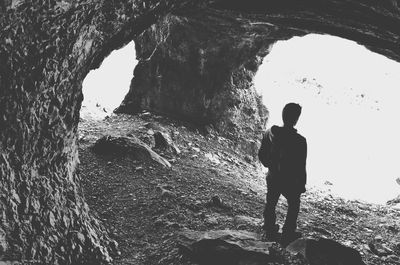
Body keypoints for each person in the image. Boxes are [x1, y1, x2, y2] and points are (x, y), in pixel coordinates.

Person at [258, 103, 307, 246]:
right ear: (296, 119)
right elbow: (301, 165)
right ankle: (288, 233)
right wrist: (302, 184)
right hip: (289, 181)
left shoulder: (269, 133)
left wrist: (270, 165)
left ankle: (269, 228)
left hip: (273, 177)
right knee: (294, 205)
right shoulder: (300, 141)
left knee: (271, 202)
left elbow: (262, 154)